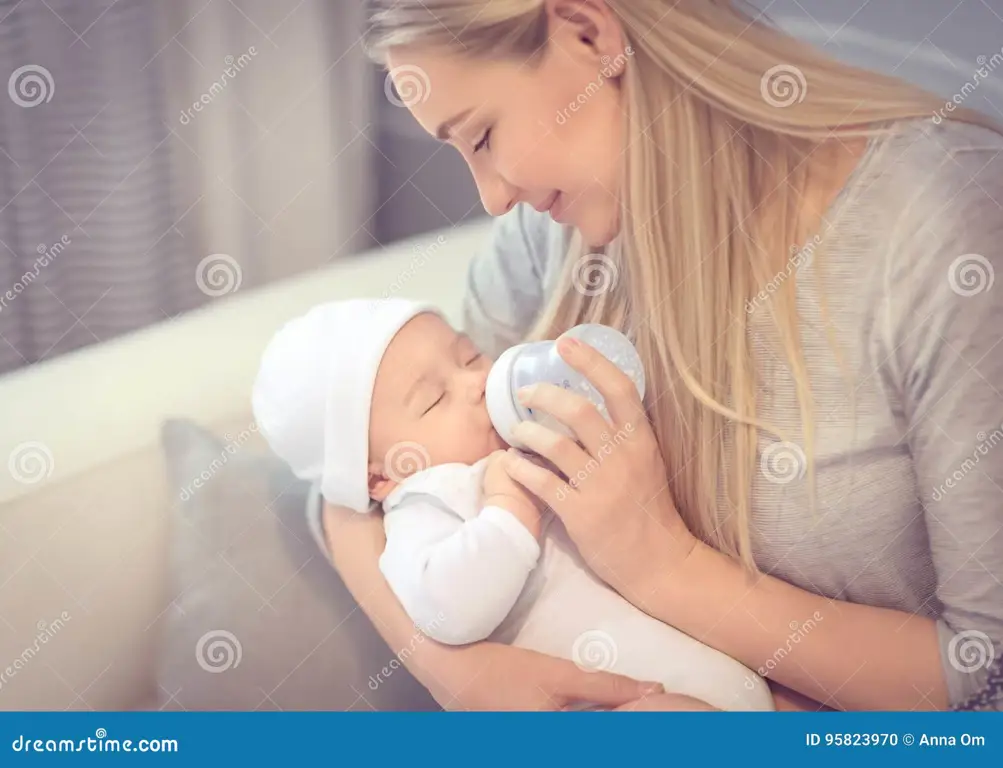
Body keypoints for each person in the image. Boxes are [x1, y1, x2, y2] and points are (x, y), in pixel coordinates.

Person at [318, 0, 1003, 711]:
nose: (491, 198)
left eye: (484, 135)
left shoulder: (943, 230)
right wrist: (456, 673)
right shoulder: (553, 235)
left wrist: (661, 564)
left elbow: (987, 684)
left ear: (588, 33)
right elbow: (358, 469)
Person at [251, 298, 776, 711]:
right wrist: (508, 508)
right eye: (434, 399)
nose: (478, 382)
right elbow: (446, 610)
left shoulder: (524, 440)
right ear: (381, 476)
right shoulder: (426, 504)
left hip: (729, 677)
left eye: (468, 356)